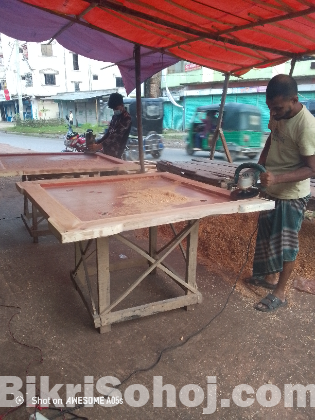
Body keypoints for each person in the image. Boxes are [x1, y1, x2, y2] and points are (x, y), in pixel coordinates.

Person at [246, 74, 315, 312]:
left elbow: (311, 168)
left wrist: (277, 177)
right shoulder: (277, 115)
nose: (272, 113)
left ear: (294, 100)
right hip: (271, 188)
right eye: (270, 108)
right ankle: (270, 278)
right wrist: (260, 166)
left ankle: (281, 292)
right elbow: (271, 140)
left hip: (292, 193)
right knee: (266, 236)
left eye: (277, 108)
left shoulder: (306, 125)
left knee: (286, 244)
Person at [88, 93, 131, 159]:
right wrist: (97, 142)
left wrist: (99, 146)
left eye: (116, 108)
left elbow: (115, 136)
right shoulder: (115, 117)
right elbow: (108, 133)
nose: (114, 110)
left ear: (122, 105)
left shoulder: (126, 118)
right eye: (113, 109)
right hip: (107, 151)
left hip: (116, 152)